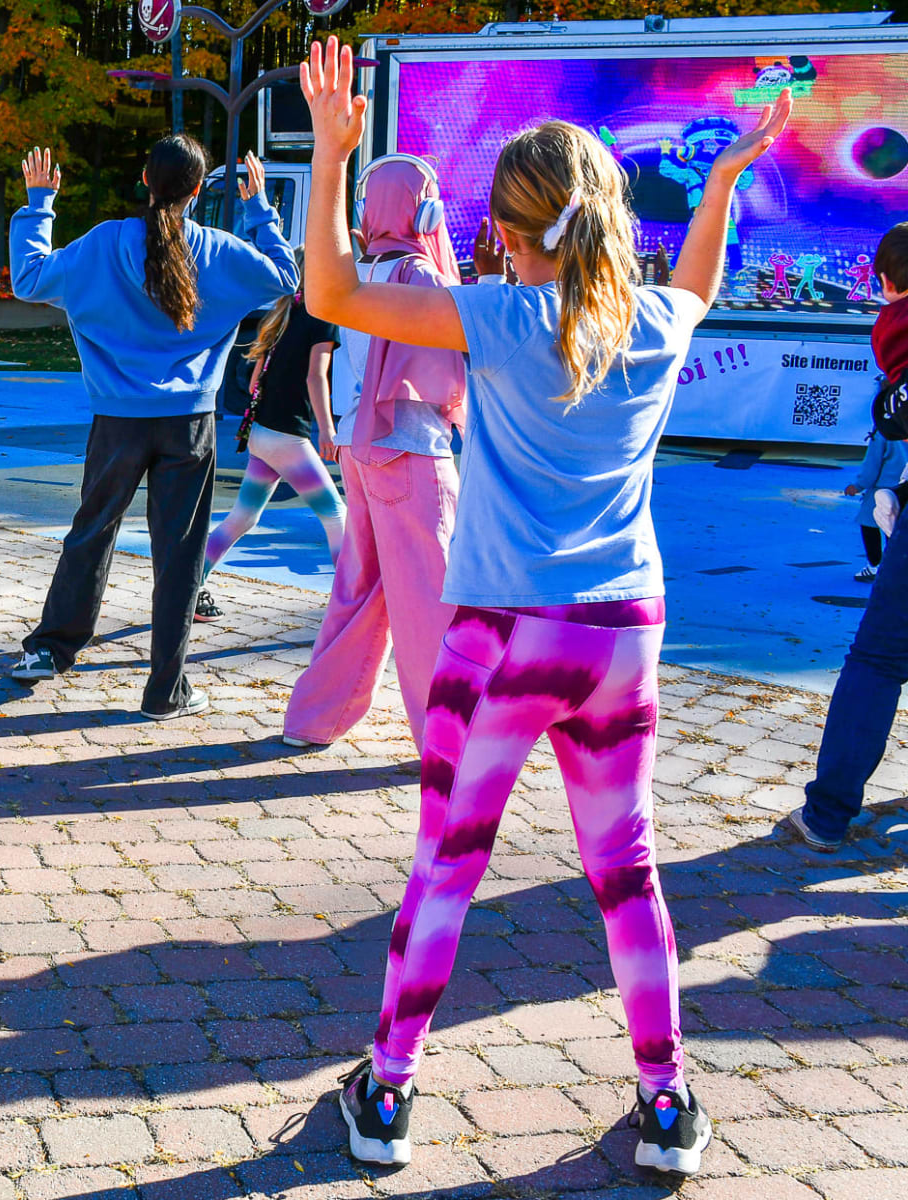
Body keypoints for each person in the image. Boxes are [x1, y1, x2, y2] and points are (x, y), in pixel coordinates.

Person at [298, 36, 791, 1177]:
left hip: (502, 632)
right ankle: (667, 1106)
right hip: (622, 632)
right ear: (609, 213)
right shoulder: (658, 323)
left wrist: (332, 157)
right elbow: (701, 282)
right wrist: (718, 184)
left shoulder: (499, 320)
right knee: (628, 871)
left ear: (509, 235)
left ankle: (387, 1098)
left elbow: (330, 292)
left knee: (448, 866)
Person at [7, 139, 297, 719]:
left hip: (118, 420)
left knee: (91, 532)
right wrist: (260, 209)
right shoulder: (218, 249)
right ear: (198, 191)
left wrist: (40, 202)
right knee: (180, 551)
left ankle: (51, 650)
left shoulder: (105, 243)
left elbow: (29, 280)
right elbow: (287, 279)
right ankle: (166, 690)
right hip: (189, 422)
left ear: (144, 177)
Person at [281, 154, 468, 753]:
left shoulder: (357, 273)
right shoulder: (423, 279)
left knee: (358, 591)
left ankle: (313, 718)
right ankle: (452, 742)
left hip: (362, 452)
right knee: (434, 605)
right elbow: (464, 364)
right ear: (426, 209)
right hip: (413, 453)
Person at [793, 222, 908, 851]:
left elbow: (897, 410)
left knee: (878, 659)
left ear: (887, 282)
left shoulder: (896, 326)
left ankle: (829, 813)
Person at [195, 245, 345, 623]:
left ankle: (190, 585)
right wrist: (327, 429)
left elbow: (255, 383)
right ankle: (350, 605)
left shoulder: (284, 312)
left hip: (261, 433)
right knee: (336, 515)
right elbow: (315, 377)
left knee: (243, 518)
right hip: (286, 439)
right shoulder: (322, 317)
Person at [843, 429, 908, 581]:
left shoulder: (883, 431)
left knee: (869, 523)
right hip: (904, 488)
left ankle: (875, 565)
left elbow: (872, 463)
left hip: (883, 486)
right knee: (896, 528)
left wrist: (858, 485)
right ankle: (897, 565)